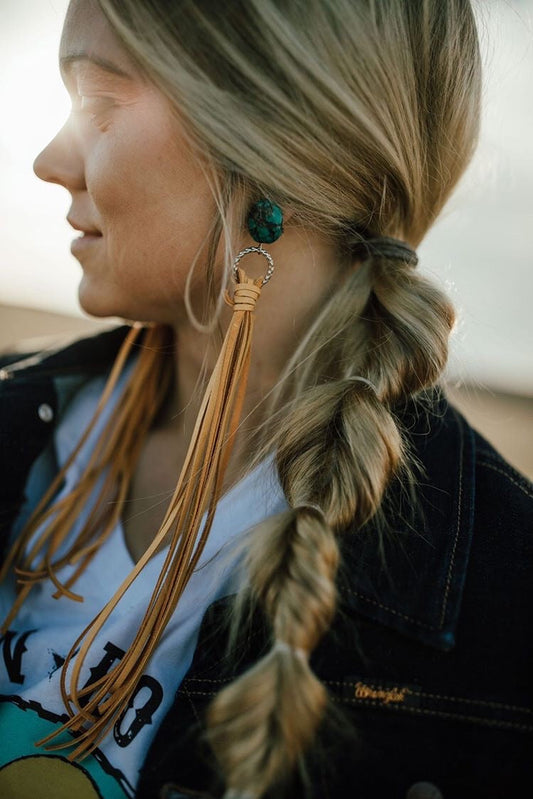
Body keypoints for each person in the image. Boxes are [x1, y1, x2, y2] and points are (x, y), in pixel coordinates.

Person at [1, 1, 532, 797]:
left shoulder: (506, 605)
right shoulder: (19, 419)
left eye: (99, 105)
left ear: (271, 149)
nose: (50, 160)